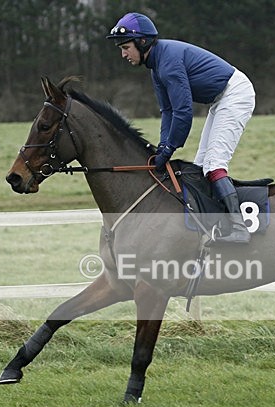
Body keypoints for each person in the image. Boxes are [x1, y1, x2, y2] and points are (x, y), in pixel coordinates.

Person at [106, 12, 256, 244]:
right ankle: (215, 225)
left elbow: (183, 111)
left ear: (142, 42)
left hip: (235, 94)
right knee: (199, 166)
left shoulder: (168, 62)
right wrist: (162, 146)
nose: (123, 53)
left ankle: (239, 228)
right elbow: (167, 111)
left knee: (214, 165)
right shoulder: (156, 66)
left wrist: (169, 148)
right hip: (221, 99)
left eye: (125, 47)